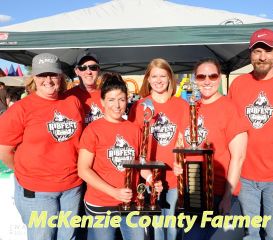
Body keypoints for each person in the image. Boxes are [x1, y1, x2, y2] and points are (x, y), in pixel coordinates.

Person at [0, 53, 84, 240]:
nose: (48, 80)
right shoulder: (21, 109)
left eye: (53, 74)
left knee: (68, 237)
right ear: (34, 78)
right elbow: (4, 150)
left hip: (72, 188)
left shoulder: (73, 102)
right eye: (41, 75)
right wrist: (24, 170)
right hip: (38, 191)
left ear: (60, 77)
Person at [228, 28, 273, 240]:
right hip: (245, 177)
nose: (262, 57)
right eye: (257, 51)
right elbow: (229, 129)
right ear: (250, 54)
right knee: (250, 235)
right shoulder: (238, 85)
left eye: (267, 50)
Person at [78, 72, 162, 240]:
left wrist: (151, 180)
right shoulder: (93, 130)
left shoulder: (134, 129)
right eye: (111, 100)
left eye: (121, 99)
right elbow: (83, 170)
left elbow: (140, 166)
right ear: (102, 102)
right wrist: (113, 192)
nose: (117, 105)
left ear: (127, 100)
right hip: (100, 204)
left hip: (131, 203)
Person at [173, 58, 248, 239]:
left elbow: (238, 157)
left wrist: (228, 197)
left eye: (212, 75)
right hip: (192, 194)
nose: (207, 81)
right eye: (201, 76)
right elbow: (180, 144)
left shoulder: (229, 108)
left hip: (219, 193)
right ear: (195, 79)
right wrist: (177, 164)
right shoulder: (190, 108)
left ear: (220, 78)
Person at [128, 58, 189, 240]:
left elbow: (186, 141)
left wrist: (182, 162)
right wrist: (145, 174)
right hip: (148, 178)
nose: (159, 80)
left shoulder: (182, 105)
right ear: (147, 79)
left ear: (170, 78)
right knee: (155, 228)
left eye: (163, 75)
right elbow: (134, 142)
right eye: (154, 76)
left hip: (174, 176)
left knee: (171, 228)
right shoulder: (140, 106)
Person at [64, 51, 103, 126]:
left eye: (93, 67)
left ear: (98, 70)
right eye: (83, 68)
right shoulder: (67, 96)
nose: (88, 72)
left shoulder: (107, 95)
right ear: (76, 71)